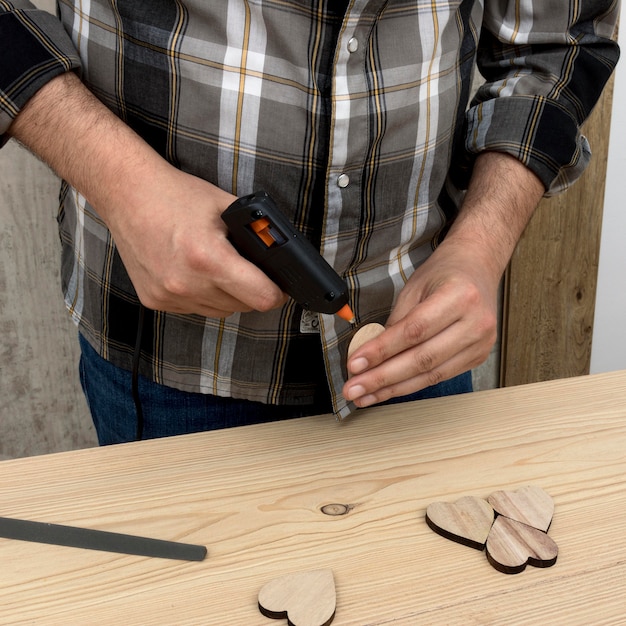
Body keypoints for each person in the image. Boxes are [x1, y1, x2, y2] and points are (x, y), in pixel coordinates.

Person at [1, 1, 620, 444]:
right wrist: (123, 183)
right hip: (170, 352)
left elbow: (562, 41)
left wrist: (482, 243)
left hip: (416, 340)